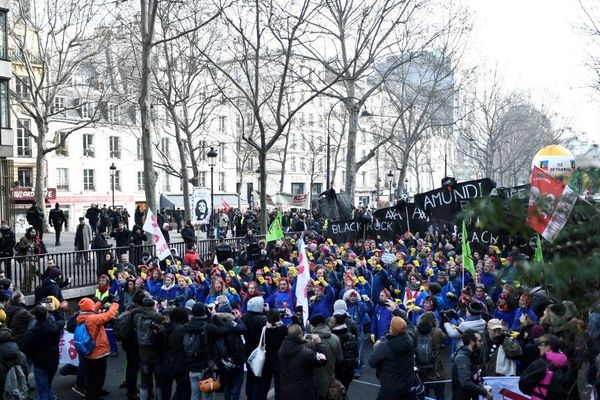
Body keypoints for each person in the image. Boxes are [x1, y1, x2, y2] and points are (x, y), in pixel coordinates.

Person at [76, 297, 119, 400]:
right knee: (98, 378)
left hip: (89, 352)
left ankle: (90, 395)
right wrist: (115, 303)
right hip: (98, 352)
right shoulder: (92, 319)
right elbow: (109, 315)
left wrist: (101, 302)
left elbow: (92, 309)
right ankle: (93, 396)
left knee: (91, 376)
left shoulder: (81, 316)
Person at [184, 302, 229, 400]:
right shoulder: (208, 327)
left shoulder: (187, 326)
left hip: (192, 365)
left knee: (194, 395)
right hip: (207, 367)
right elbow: (224, 330)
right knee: (207, 396)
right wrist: (214, 316)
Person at [368, 316, 418, 400]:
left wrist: (377, 346)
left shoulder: (384, 347)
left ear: (391, 330)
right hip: (407, 386)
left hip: (390, 388)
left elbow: (371, 362)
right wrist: (396, 310)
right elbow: (410, 326)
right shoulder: (410, 339)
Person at [23, 302, 65, 400]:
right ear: (46, 314)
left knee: (42, 392)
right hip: (54, 361)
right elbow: (61, 321)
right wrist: (54, 310)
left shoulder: (32, 332)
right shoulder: (54, 327)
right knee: (48, 384)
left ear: (35, 317)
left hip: (40, 364)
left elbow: (27, 349)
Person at [278, 324, 328, 400]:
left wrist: (301, 342)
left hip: (285, 391)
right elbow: (323, 360)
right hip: (303, 393)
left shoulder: (281, 350)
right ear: (300, 335)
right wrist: (318, 344)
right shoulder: (307, 353)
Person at [519, 333, 571, 400]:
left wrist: (536, 393)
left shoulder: (538, 364)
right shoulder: (566, 363)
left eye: (541, 345)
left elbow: (523, 385)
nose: (538, 347)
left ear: (548, 347)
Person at [134, 297, 165, 400]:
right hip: (157, 354)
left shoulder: (139, 317)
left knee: (144, 381)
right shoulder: (157, 316)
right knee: (159, 381)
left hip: (143, 354)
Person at [451, 329, 493, 400]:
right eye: (479, 341)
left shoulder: (472, 355)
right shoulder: (462, 358)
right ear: (471, 342)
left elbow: (473, 378)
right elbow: (466, 383)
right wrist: (484, 392)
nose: (481, 343)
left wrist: (482, 387)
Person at [15, 227, 46, 293]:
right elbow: (20, 247)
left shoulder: (35, 239)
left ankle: (29, 289)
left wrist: (36, 247)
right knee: (27, 274)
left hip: (34, 259)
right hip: (26, 259)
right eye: (32, 232)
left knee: (32, 275)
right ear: (29, 232)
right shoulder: (24, 238)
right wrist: (27, 246)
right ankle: (23, 289)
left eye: (34, 232)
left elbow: (39, 248)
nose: (33, 233)